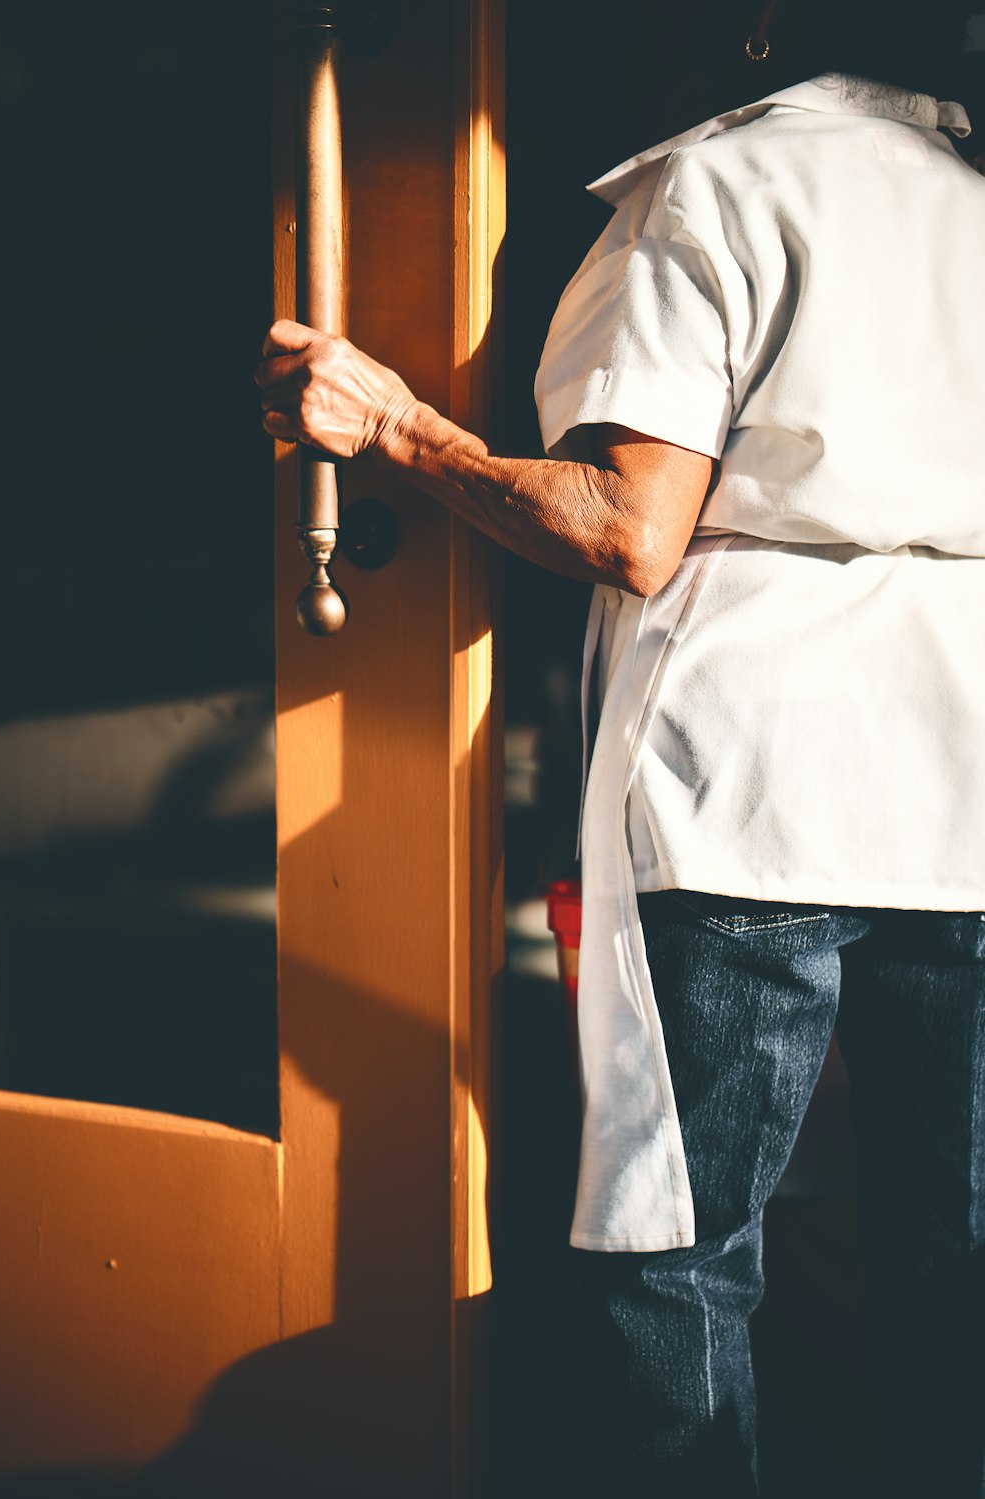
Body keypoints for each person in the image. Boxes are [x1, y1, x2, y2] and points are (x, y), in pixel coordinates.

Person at [256, 2, 985, 1492]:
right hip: (965, 784)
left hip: (752, 791)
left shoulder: (717, 185)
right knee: (954, 1246)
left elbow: (626, 527)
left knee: (681, 1252)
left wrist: (399, 429)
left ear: (755, 33)